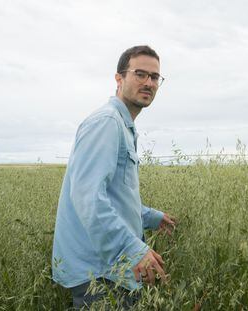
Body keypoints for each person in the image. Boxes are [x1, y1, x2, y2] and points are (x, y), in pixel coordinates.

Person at [52, 45, 176, 309]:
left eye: (155, 77)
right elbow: (89, 199)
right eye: (140, 74)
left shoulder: (123, 125)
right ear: (119, 78)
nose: (148, 82)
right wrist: (133, 249)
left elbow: (112, 195)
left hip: (109, 269)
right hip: (99, 271)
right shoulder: (107, 123)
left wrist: (150, 216)